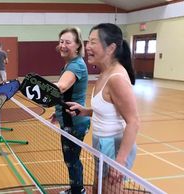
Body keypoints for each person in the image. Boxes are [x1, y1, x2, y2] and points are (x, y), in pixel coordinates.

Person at [66, 23, 140, 193]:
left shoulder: (116, 78)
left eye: (93, 42)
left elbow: (133, 122)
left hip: (114, 146)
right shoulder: (104, 73)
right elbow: (110, 110)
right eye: (88, 41)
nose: (87, 46)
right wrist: (85, 111)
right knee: (97, 189)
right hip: (102, 143)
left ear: (111, 48)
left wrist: (119, 162)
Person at [49, 27, 90, 194]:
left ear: (78, 46)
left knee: (72, 160)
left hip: (75, 122)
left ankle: (78, 190)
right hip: (67, 119)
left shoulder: (76, 65)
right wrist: (58, 111)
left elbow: (62, 86)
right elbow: (67, 95)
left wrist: (38, 87)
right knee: (70, 159)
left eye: (68, 42)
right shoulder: (70, 64)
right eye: (61, 41)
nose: (63, 45)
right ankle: (76, 188)